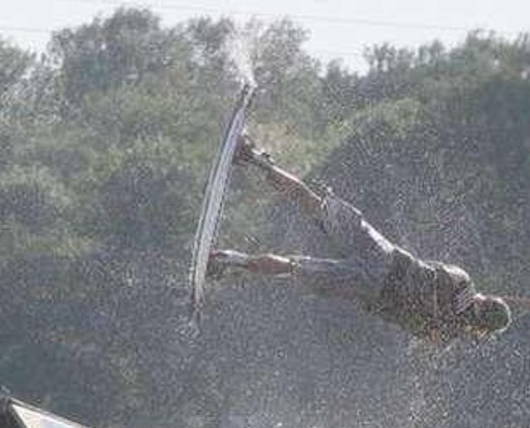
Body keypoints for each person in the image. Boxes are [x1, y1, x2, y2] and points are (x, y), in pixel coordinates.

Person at [208, 134, 512, 344]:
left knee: (314, 205)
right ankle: (228, 260)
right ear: (482, 327)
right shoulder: (448, 330)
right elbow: (415, 325)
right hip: (374, 287)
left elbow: (435, 277)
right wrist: (445, 323)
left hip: (387, 256)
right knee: (294, 267)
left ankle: (251, 157)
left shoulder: (463, 282)